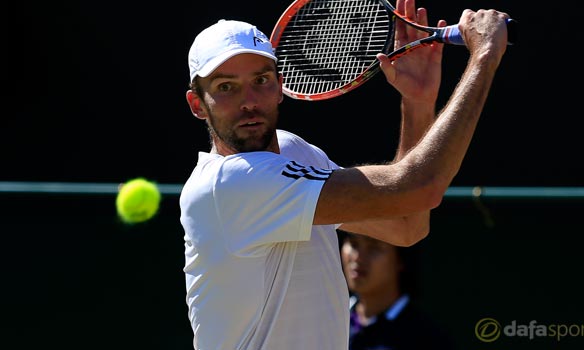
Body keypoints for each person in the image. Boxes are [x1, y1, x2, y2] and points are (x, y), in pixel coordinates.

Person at [179, 0, 511, 347]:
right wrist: (484, 56)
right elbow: (419, 188)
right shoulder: (228, 185)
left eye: (260, 80)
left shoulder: (295, 151)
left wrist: (418, 102)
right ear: (198, 104)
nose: (249, 100)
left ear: (279, 87)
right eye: (226, 87)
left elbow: (406, 224)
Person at [339, 230, 456, 350]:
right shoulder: (328, 320)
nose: (358, 257)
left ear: (400, 259)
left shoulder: (429, 340)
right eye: (353, 244)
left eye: (374, 247)